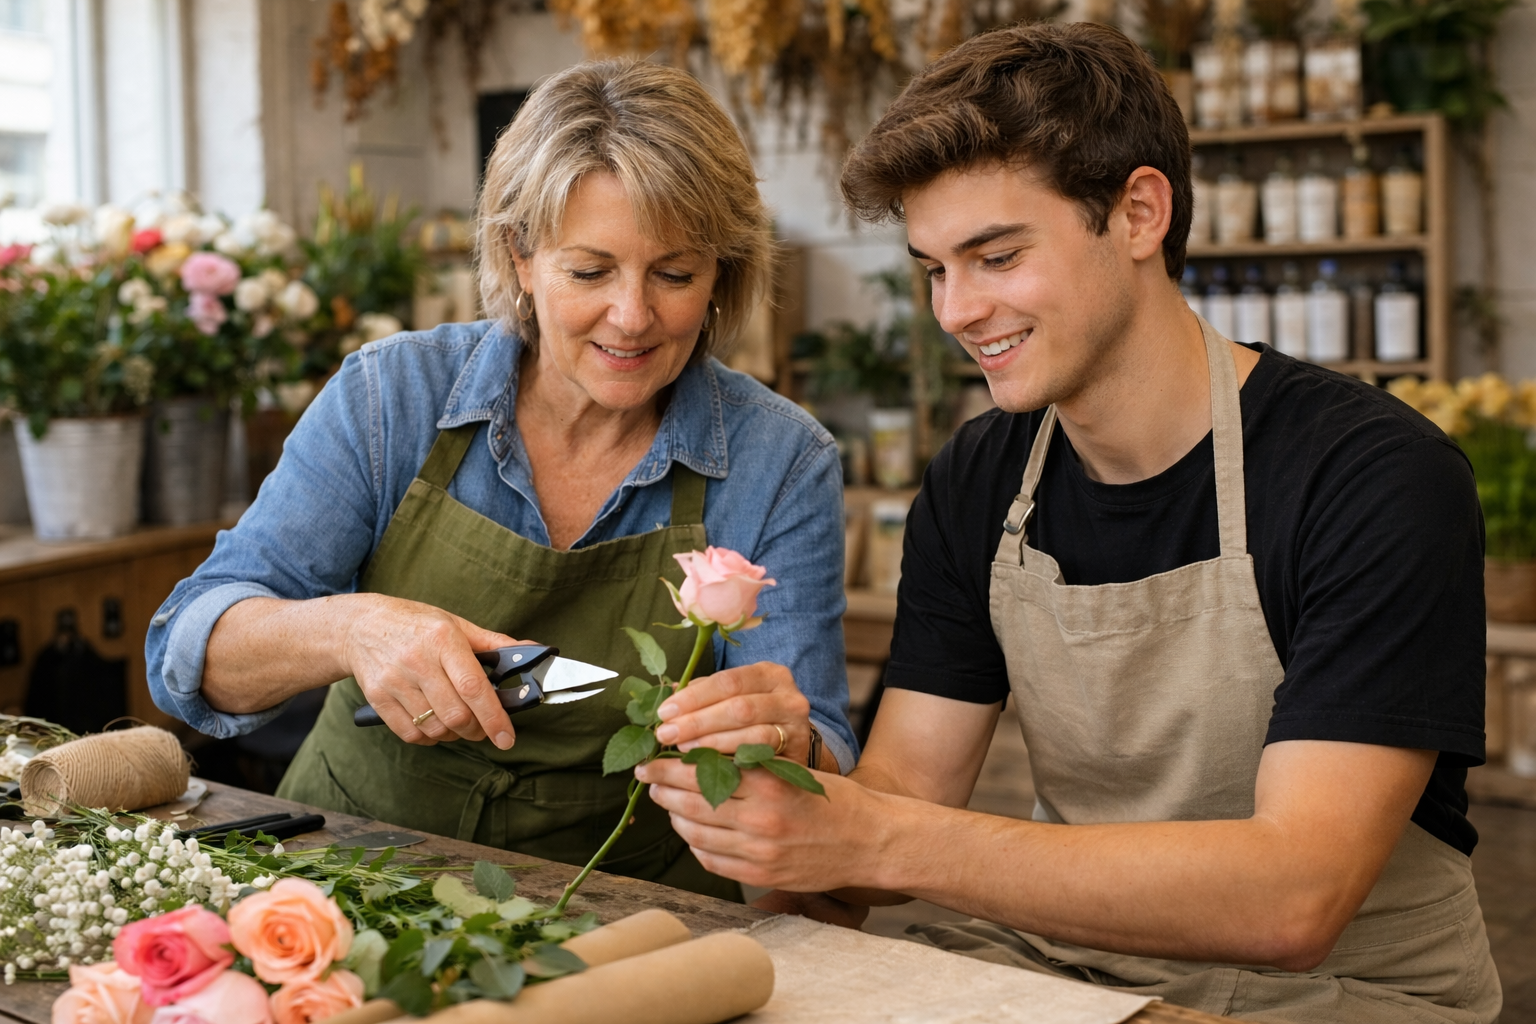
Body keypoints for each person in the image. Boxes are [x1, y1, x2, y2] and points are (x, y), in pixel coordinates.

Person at [640, 23, 1501, 1020]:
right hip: (1067, 968)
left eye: (995, 255)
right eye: (934, 269)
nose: (957, 310)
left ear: (1139, 212)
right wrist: (788, 782)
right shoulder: (981, 480)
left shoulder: (1372, 476)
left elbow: (1294, 895)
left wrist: (874, 834)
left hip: (1348, 992)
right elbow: (881, 832)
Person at [145, 59, 855, 901]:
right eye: (589, 272)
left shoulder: (782, 461)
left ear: (722, 275)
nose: (632, 316)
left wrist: (784, 741)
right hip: (339, 879)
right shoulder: (391, 397)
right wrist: (353, 631)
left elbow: (823, 770)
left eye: (675, 274)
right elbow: (187, 652)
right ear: (520, 255)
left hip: (628, 913)